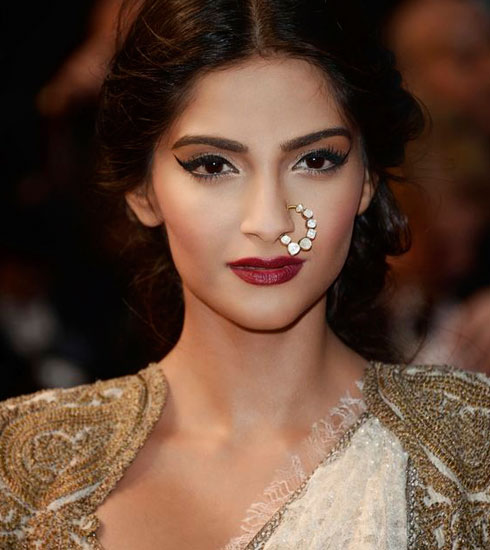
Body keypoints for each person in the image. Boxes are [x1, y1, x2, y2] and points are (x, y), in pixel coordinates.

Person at [1, 1, 489, 549]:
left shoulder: (473, 448)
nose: (269, 221)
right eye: (213, 165)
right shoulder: (22, 467)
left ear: (368, 181)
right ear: (142, 190)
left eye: (315, 161)